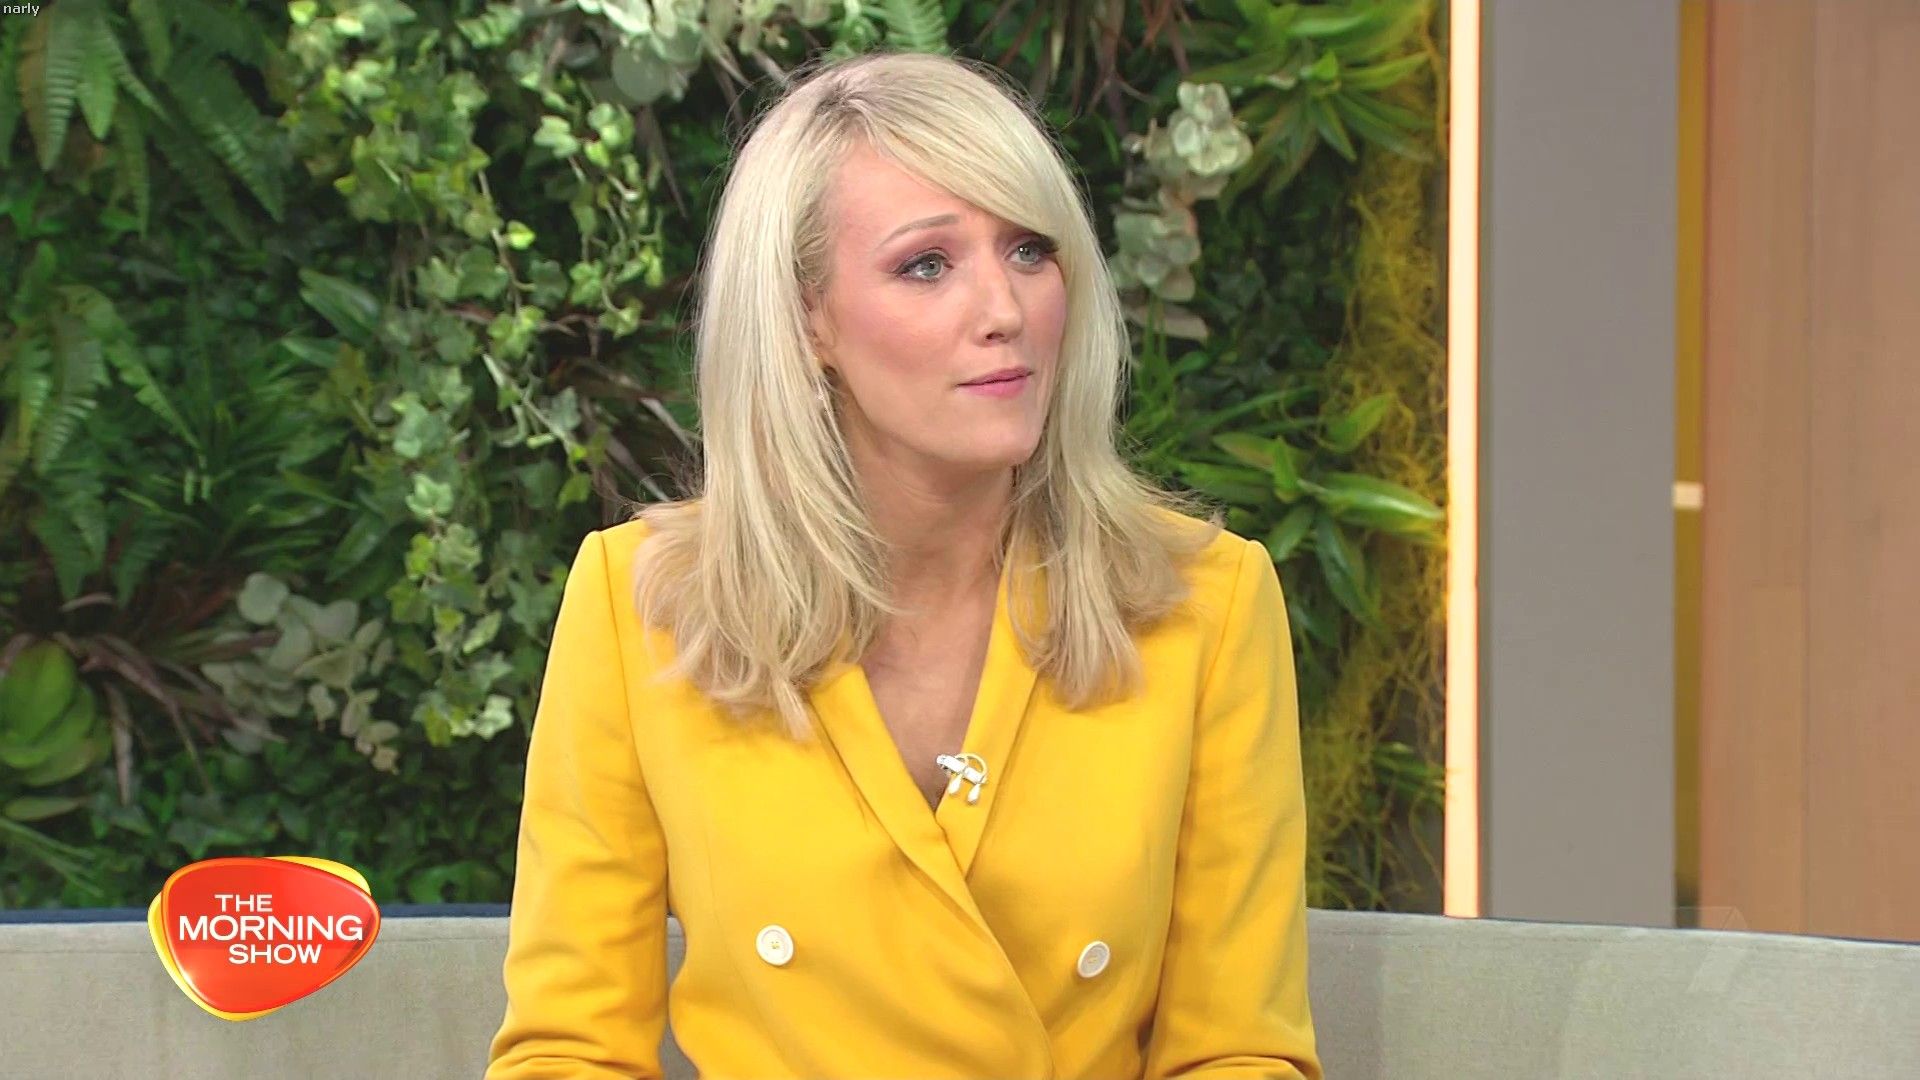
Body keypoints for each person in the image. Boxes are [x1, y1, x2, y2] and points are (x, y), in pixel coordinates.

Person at [485, 48, 1320, 1080]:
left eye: (1029, 251)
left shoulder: (1206, 603)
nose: (1005, 309)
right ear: (808, 318)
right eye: (927, 265)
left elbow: (1238, 1053)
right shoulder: (643, 603)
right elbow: (569, 1051)